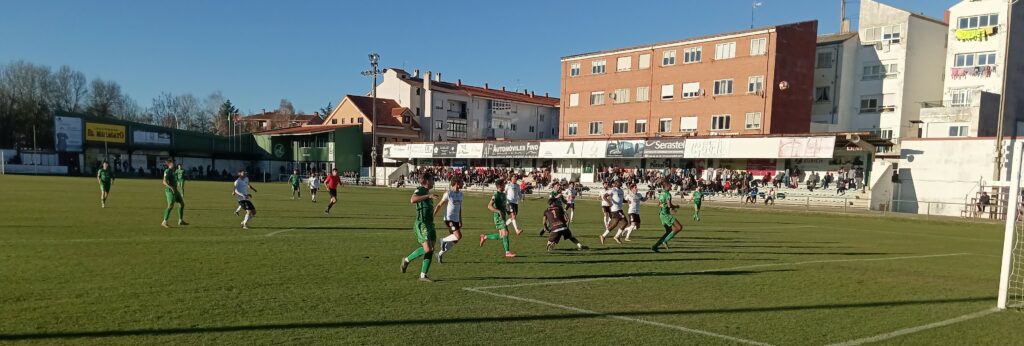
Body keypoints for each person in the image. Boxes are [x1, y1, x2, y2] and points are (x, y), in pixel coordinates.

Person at [400, 174, 437, 282]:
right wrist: (428, 196)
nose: (433, 181)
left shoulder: (427, 192)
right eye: (432, 179)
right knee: (428, 249)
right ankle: (406, 260)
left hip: (430, 224)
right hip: (422, 224)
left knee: (431, 250)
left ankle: (423, 275)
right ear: (426, 181)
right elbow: (412, 200)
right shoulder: (421, 190)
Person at [480, 179, 517, 258]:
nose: (505, 186)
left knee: (501, 235)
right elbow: (489, 206)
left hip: (503, 216)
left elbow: (504, 207)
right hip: (498, 217)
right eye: (503, 184)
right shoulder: (495, 195)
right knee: (506, 233)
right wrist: (498, 211)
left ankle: (485, 237)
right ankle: (507, 252)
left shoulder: (503, 195)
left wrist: (509, 213)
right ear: (500, 186)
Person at [433, 179, 464, 263]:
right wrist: (433, 215)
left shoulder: (461, 194)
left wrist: (460, 219)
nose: (463, 183)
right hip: (449, 219)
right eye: (461, 182)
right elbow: (439, 205)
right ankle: (443, 240)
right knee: (459, 236)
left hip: (456, 219)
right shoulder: (448, 194)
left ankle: (439, 254)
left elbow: (459, 207)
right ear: (457, 183)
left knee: (455, 240)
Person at [652, 179, 683, 252]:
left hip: (662, 214)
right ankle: (665, 241)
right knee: (679, 227)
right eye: (670, 185)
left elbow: (659, 204)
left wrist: (669, 208)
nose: (671, 186)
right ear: (667, 186)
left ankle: (655, 246)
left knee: (669, 231)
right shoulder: (668, 194)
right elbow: (669, 205)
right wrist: (675, 207)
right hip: (666, 215)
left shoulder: (662, 193)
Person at [161, 159, 188, 228]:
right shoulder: (167, 171)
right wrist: (171, 187)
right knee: (170, 205)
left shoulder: (173, 171)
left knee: (182, 204)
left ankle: (180, 220)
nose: (175, 164)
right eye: (174, 163)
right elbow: (164, 181)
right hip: (169, 191)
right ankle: (164, 222)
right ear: (170, 164)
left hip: (175, 190)